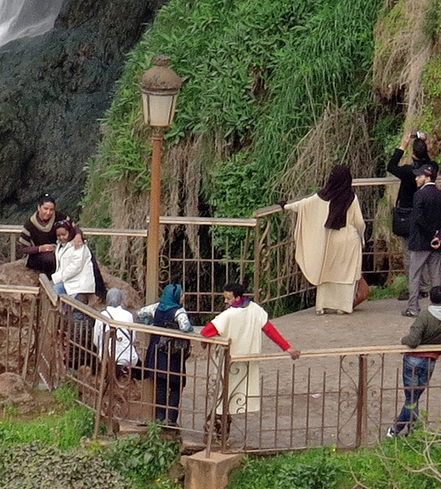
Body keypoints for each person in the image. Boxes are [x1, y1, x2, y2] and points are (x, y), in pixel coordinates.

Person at [199, 280, 301, 435]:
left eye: (228, 298)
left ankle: (216, 429)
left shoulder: (228, 315)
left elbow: (206, 332)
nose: (226, 302)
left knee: (222, 395)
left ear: (238, 298)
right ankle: (221, 428)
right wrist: (287, 348)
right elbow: (270, 330)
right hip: (247, 360)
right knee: (234, 395)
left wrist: (205, 343)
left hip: (228, 360)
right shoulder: (256, 310)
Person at [284, 164, 366, 314]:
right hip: (348, 239)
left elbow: (303, 205)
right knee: (345, 274)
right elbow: (359, 222)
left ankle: (322, 305)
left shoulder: (323, 196)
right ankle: (343, 306)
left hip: (329, 239)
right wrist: (361, 236)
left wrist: (285, 206)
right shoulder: (351, 198)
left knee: (327, 271)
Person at [391, 284, 441, 437]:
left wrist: (403, 340)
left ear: (430, 298)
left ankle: (396, 429)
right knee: (414, 397)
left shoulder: (424, 316)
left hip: (413, 359)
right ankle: (413, 430)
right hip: (431, 361)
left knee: (411, 398)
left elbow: (413, 340)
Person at [140, 283, 194, 429]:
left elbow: (141, 313)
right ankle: (170, 419)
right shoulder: (179, 312)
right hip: (173, 353)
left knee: (161, 385)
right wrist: (190, 330)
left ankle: (159, 417)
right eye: (181, 295)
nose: (183, 298)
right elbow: (185, 327)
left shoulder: (156, 307)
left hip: (157, 350)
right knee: (176, 384)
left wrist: (150, 324)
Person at [405, 162, 441, 318]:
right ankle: (438, 306)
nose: (416, 179)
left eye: (419, 176)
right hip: (436, 243)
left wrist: (431, 234)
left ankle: (413, 307)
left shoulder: (419, 195)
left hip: (420, 242)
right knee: (435, 275)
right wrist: (440, 236)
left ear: (427, 177)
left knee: (415, 275)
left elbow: (418, 218)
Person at [51, 220, 98, 367]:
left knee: (78, 321)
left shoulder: (78, 246)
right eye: (59, 235)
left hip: (79, 286)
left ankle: (77, 357)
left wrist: (56, 277)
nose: (61, 238)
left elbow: (75, 267)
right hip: (68, 285)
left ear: (70, 232)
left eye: (64, 234)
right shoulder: (61, 245)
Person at [388, 132, 432, 239]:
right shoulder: (431, 169)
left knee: (409, 248)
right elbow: (428, 162)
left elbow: (391, 166)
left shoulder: (407, 171)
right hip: (425, 211)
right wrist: (422, 145)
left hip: (407, 213)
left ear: (413, 153)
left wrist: (403, 146)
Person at [95, 287, 141, 373]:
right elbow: (133, 338)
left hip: (107, 356)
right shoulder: (128, 315)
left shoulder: (102, 315)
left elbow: (96, 340)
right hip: (128, 358)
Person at [21, 196, 58, 275]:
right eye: (45, 209)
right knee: (49, 259)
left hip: (58, 251)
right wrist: (40, 248)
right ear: (39, 207)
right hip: (37, 256)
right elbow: (24, 248)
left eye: (51, 210)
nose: (48, 212)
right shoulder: (30, 224)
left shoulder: (59, 217)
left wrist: (78, 236)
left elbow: (74, 228)